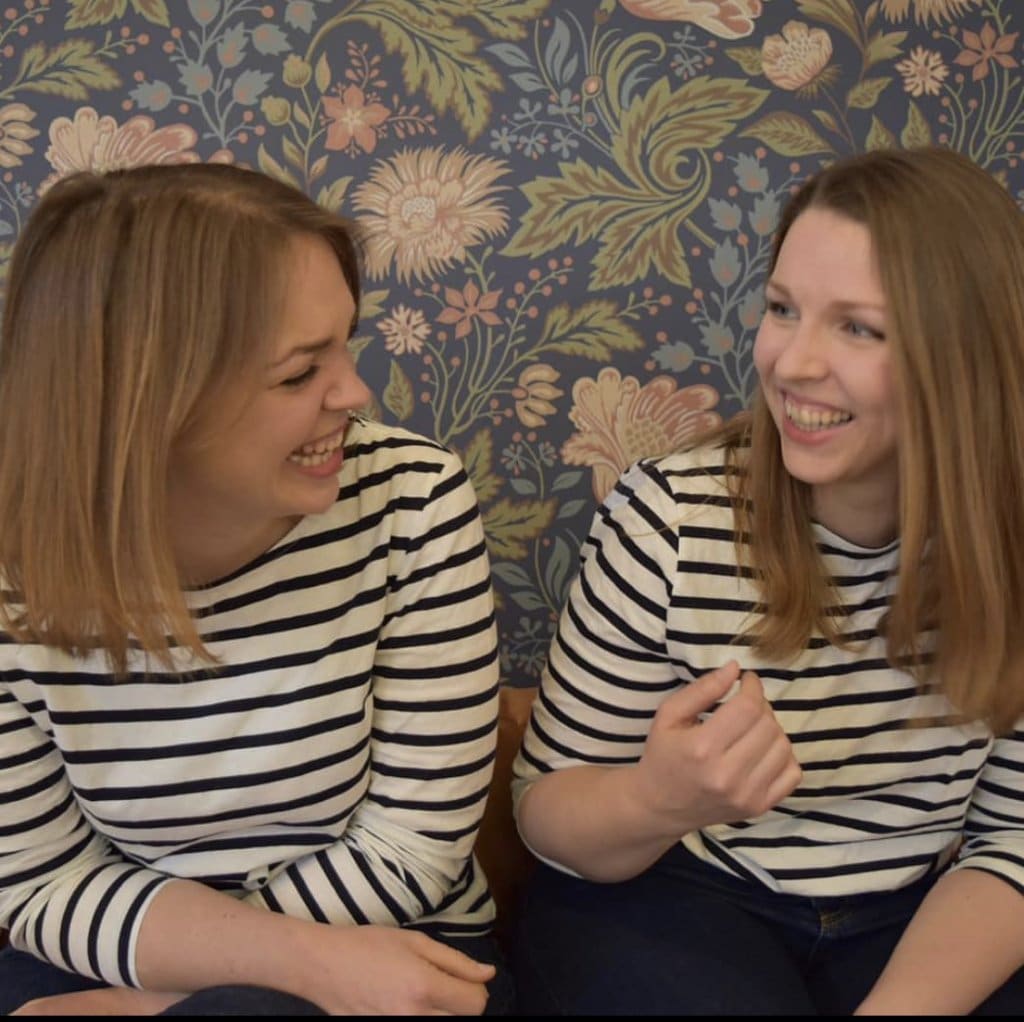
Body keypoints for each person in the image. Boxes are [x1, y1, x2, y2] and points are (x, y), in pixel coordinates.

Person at [510, 146, 1024, 1016]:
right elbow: (544, 810)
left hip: (929, 914)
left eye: (859, 327)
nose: (790, 364)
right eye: (782, 309)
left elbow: (1012, 844)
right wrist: (655, 798)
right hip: (676, 896)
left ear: (964, 355)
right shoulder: (671, 519)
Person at [0, 163, 513, 1015]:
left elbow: (413, 847)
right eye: (296, 374)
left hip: (392, 943)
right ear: (147, 405)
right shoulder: (17, 579)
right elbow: (38, 880)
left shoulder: (413, 501)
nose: (354, 393)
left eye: (344, 345)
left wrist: (201, 991)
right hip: (101, 955)